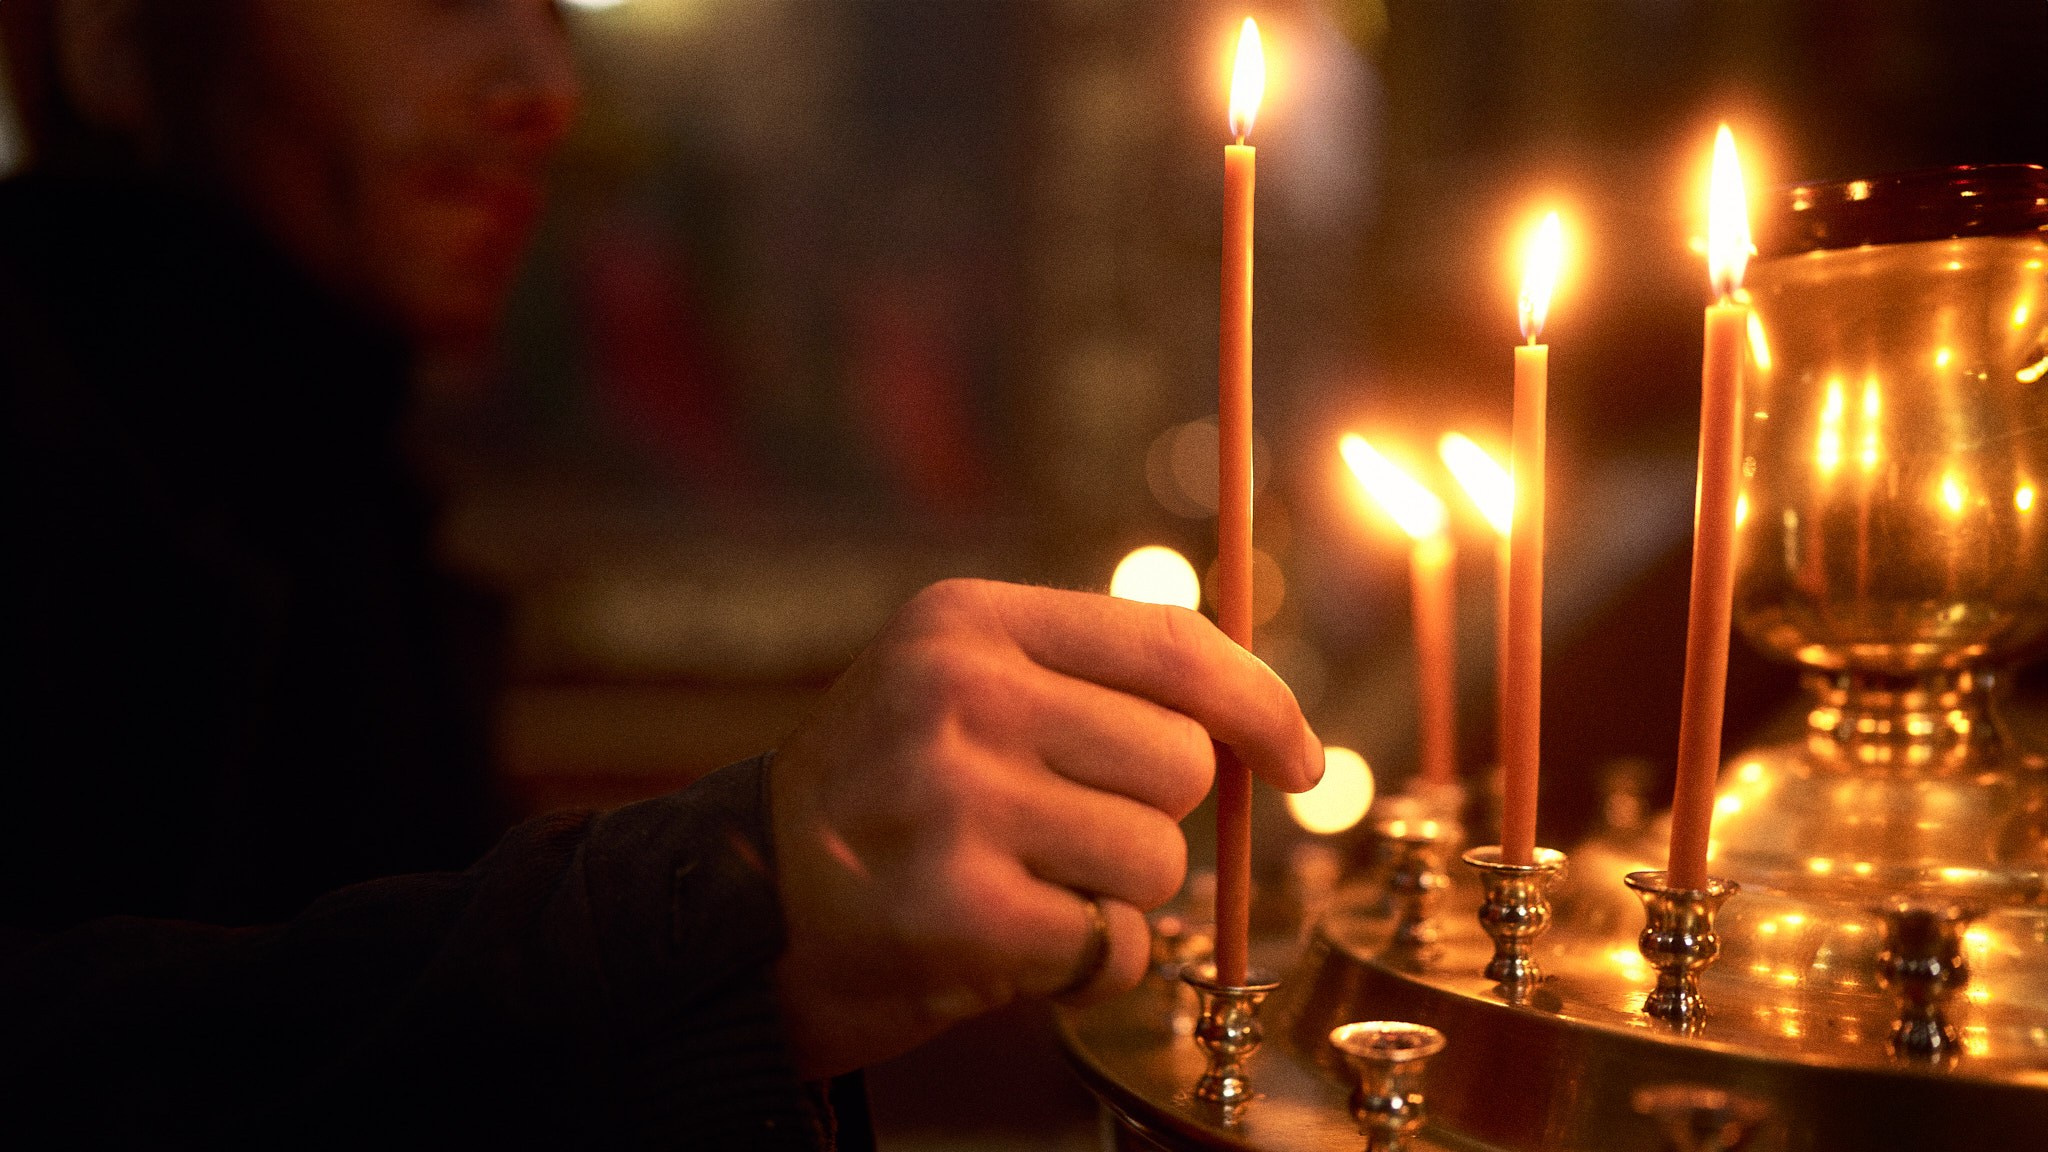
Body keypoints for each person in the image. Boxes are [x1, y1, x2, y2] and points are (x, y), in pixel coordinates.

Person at [0, 2, 1324, 1147]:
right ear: (112, 34)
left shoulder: (344, 486)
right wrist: (732, 907)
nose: (546, 91)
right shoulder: (58, 445)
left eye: (552, 17)